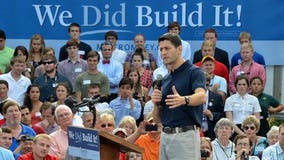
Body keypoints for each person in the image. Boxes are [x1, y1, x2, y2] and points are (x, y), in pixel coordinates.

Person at [151, 33, 206, 159]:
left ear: (180, 49)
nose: (163, 53)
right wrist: (155, 104)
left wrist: (184, 100)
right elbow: (157, 120)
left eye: (167, 48)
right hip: (165, 136)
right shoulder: (165, 80)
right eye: (161, 49)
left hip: (185, 137)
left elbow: (202, 96)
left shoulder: (194, 72)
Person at [202, 72, 225, 140]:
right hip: (197, 131)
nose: (205, 83)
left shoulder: (217, 97)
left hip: (211, 132)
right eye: (203, 80)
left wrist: (212, 115)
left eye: (207, 81)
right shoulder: (192, 97)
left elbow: (222, 115)